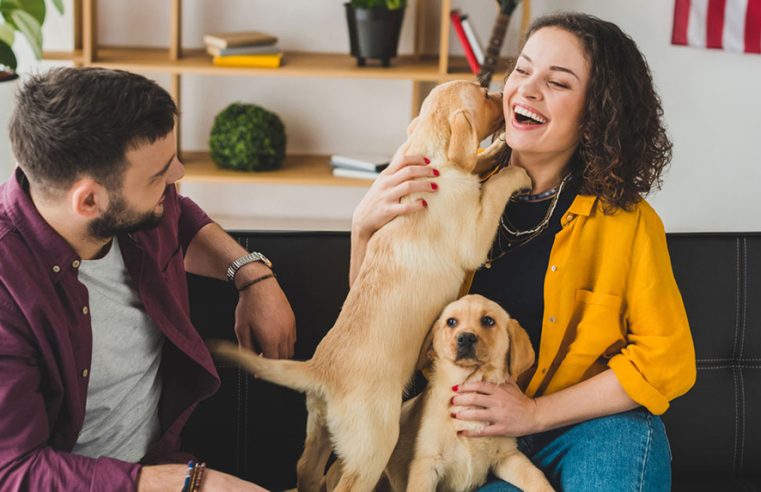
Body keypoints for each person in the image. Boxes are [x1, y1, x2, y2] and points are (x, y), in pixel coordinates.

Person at [350, 12, 696, 491]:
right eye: (522, 70)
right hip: (467, 441)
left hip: (586, 430)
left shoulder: (629, 224)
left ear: (597, 113)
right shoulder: (442, 191)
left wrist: (533, 413)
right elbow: (384, 338)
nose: (526, 91)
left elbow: (667, 361)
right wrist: (363, 232)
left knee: (628, 438)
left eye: (556, 82)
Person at [0, 67, 296, 491]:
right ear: (89, 200)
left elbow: (179, 214)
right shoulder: (8, 294)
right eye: (159, 174)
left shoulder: (139, 210)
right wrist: (193, 484)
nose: (177, 175)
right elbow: (15, 473)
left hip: (162, 462)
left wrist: (251, 275)